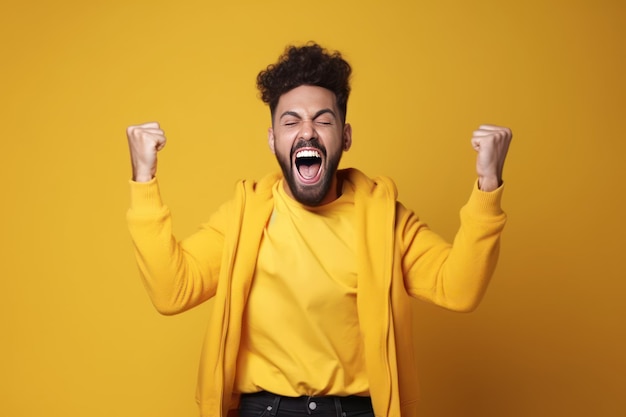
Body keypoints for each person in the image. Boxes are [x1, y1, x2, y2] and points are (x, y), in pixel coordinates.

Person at [126, 42, 512, 417]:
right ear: (273, 138)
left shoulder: (383, 217)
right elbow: (171, 292)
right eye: (291, 121)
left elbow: (459, 288)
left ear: (344, 136)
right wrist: (144, 180)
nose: (307, 132)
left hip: (357, 411)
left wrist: (488, 184)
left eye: (323, 120)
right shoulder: (244, 216)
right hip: (266, 410)